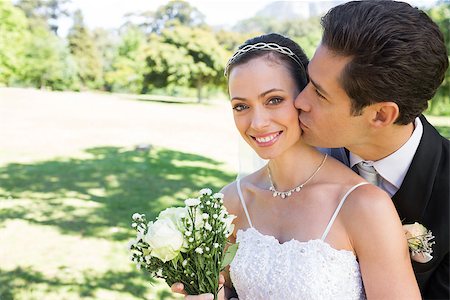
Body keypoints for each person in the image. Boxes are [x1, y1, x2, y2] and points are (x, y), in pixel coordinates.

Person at [172, 33, 420, 299]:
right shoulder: (231, 202)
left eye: (274, 100)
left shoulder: (363, 205)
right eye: (241, 106)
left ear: (303, 97)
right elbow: (228, 289)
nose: (257, 122)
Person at [293, 1, 449, 299]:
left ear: (380, 115)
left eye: (320, 94)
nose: (299, 101)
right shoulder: (299, 160)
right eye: (308, 80)